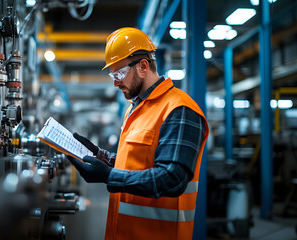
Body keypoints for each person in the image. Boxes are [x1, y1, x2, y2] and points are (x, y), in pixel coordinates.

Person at [67, 27, 209, 240]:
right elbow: (140, 162)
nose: (115, 82)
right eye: (112, 75)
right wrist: (103, 158)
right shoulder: (135, 109)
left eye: (119, 73)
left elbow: (172, 178)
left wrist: (108, 176)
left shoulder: (179, 109)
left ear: (143, 66)